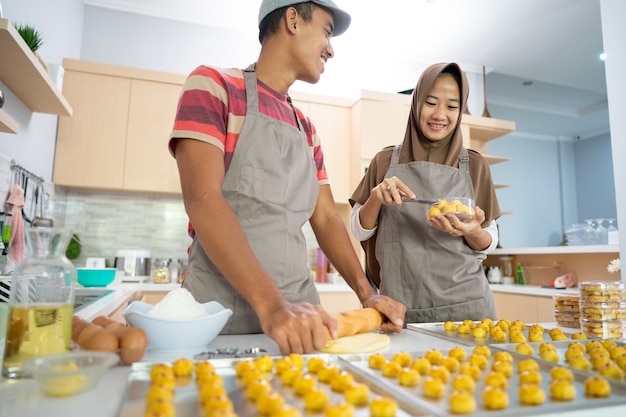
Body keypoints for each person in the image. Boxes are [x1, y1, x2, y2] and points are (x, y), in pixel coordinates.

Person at [168, 0, 405, 354]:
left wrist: (367, 293)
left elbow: (324, 217)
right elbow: (203, 200)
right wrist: (273, 307)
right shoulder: (214, 87)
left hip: (301, 323)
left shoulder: (307, 131)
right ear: (292, 20)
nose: (331, 48)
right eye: (326, 31)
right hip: (217, 319)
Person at [349, 62, 501, 323]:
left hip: (468, 310)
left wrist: (473, 231)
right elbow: (358, 230)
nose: (440, 114)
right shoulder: (384, 161)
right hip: (400, 309)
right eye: (431, 102)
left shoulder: (475, 164)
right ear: (416, 102)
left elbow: (490, 239)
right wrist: (375, 198)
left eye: (452, 106)